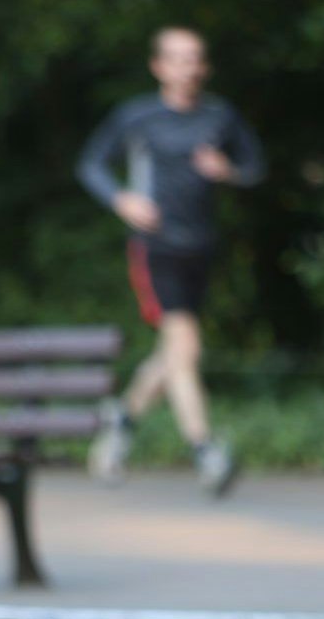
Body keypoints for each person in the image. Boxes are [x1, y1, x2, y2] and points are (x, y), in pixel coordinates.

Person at [78, 26, 265, 499]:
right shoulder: (137, 116)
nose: (186, 68)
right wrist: (122, 199)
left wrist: (228, 171)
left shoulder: (220, 116)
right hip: (154, 245)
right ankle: (205, 450)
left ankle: (119, 421)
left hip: (201, 247)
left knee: (174, 352)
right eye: (176, 59)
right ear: (158, 66)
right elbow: (91, 164)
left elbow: (255, 168)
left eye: (194, 59)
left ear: (204, 67)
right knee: (184, 344)